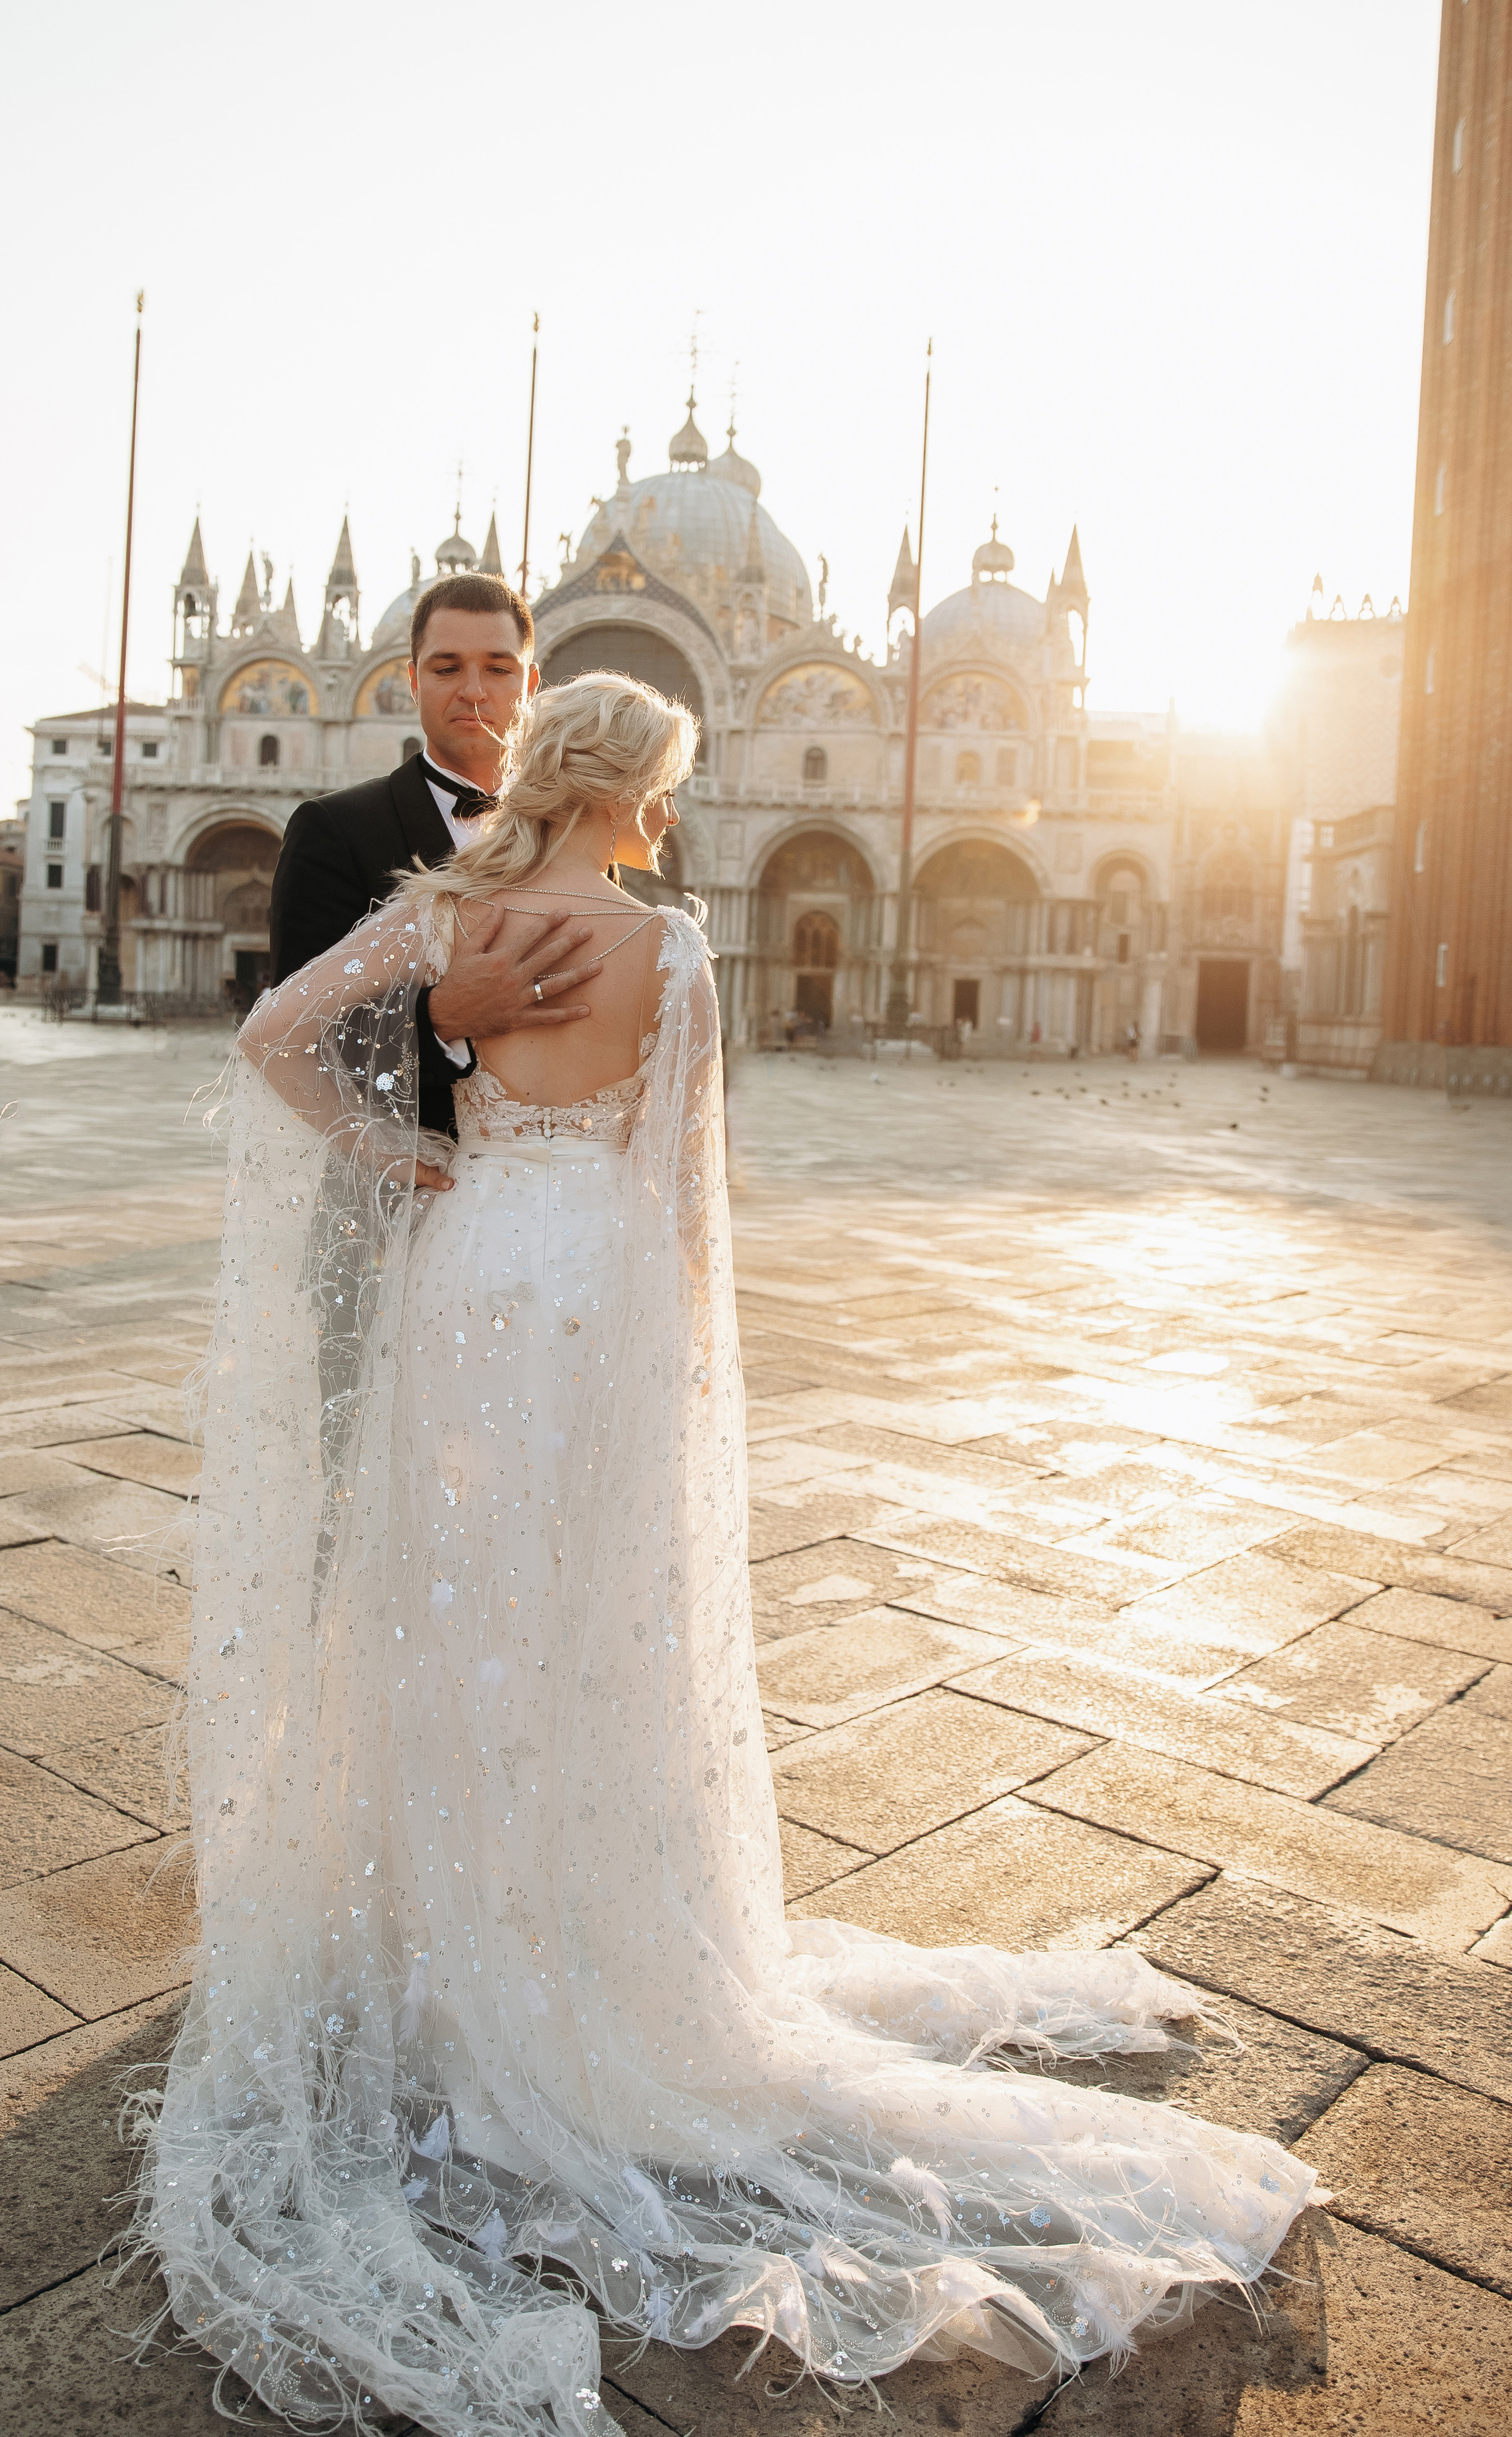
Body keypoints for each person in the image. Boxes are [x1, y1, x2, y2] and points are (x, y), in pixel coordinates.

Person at [135, 675, 1318, 2436]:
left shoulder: (448, 909)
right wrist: (684, 1405)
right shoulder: (673, 955)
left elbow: (270, 1040)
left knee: (442, 1617)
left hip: (467, 1277)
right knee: (587, 1629)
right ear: (648, 792)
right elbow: (688, 1200)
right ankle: (584, 1944)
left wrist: (401, 1153)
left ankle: (445, 1946)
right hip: (596, 1291)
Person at [267, 571, 608, 1171]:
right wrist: (439, 1016)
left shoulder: (575, 832)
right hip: (396, 1206)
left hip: (553, 1194)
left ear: (530, 683)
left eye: (498, 669)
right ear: (413, 680)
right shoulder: (334, 829)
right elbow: (290, 1035)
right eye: (447, 668)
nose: (473, 690)